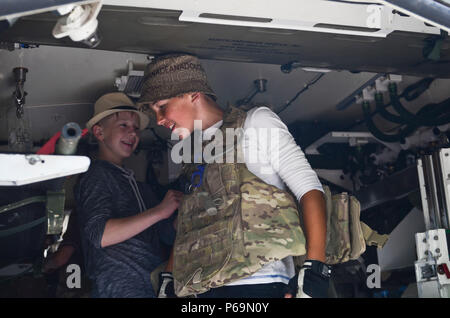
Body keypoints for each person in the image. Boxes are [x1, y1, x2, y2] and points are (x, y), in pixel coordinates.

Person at [137, 54, 331, 298]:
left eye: (162, 106)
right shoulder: (195, 154)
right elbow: (192, 222)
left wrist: (316, 270)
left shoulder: (256, 122)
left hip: (260, 283)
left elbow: (309, 189)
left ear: (192, 94)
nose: (159, 120)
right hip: (204, 286)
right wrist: (169, 275)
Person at [74, 92, 183, 298]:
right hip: (119, 288)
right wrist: (160, 211)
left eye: (135, 128)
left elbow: (166, 235)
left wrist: (184, 214)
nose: (132, 134)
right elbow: (100, 235)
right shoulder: (97, 175)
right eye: (123, 125)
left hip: (149, 286)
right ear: (99, 132)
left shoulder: (141, 188)